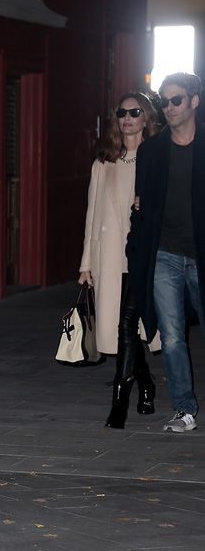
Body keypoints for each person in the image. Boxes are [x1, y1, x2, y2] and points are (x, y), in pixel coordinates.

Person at [127, 72, 204, 433]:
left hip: (199, 255)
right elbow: (140, 207)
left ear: (193, 102)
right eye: (164, 101)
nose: (168, 107)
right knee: (172, 336)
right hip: (165, 255)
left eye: (176, 100)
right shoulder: (152, 150)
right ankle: (184, 408)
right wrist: (136, 251)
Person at [79, 92, 159, 428]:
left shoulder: (157, 158)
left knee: (128, 325)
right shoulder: (104, 162)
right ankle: (146, 385)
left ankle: (118, 404)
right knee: (125, 327)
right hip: (110, 257)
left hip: (144, 256)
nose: (127, 118)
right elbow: (91, 216)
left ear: (146, 117)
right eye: (122, 112)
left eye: (135, 112)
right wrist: (85, 264)